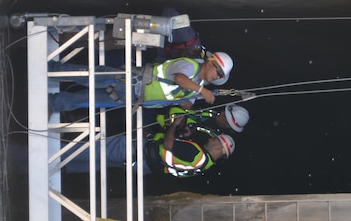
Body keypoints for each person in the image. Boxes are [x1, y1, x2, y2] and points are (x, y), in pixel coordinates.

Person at [47, 51, 233, 112]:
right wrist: (202, 92)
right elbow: (179, 79)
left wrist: (193, 104)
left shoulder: (197, 88)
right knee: (88, 76)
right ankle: (52, 69)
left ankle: (53, 103)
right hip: (130, 81)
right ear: (210, 61)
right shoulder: (190, 66)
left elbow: (184, 103)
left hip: (132, 98)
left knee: (87, 100)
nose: (217, 76)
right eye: (217, 70)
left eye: (220, 75)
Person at [62, 114, 234, 176]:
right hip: (144, 166)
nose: (211, 139)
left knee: (97, 151)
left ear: (218, 147)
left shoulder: (197, 153)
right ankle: (65, 165)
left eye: (215, 140)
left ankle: (59, 153)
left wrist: (174, 125)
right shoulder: (203, 166)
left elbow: (168, 145)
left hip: (137, 152)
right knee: (99, 163)